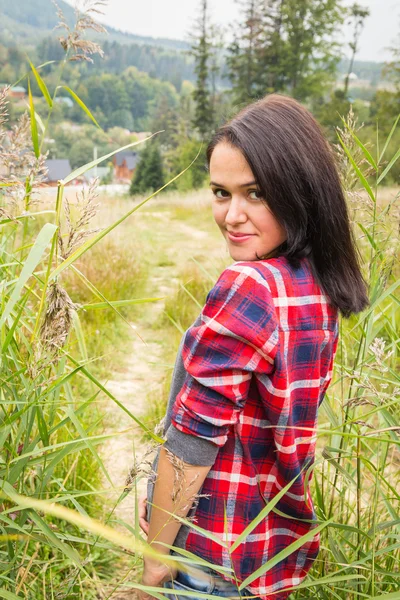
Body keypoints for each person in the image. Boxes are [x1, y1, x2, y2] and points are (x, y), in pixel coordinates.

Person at [137, 94, 369, 600]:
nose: (232, 215)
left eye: (257, 193)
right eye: (221, 192)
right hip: (269, 553)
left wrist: (154, 560)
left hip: (210, 556)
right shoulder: (316, 285)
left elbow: (194, 439)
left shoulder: (249, 286)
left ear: (299, 192)